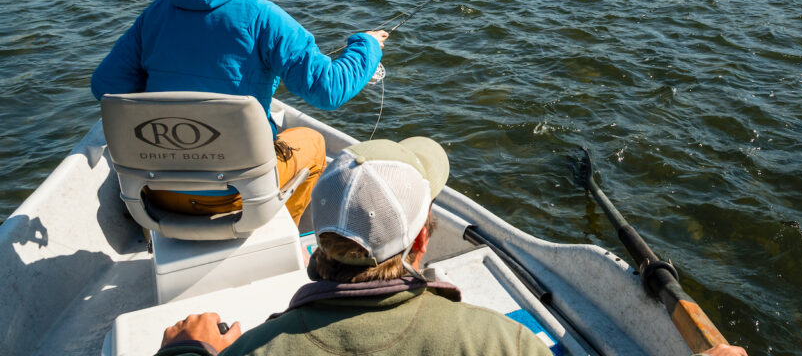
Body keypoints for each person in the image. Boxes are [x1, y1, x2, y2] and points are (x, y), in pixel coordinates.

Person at [91, 0, 387, 224]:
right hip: (236, 196)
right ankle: (278, 231)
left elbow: (106, 86)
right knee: (312, 143)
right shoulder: (267, 19)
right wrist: (367, 46)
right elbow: (329, 90)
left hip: (155, 191)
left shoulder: (156, 13)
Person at [155, 136, 556, 356]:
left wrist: (187, 354)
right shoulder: (505, 342)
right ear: (420, 238)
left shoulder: (256, 348)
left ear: (319, 239)